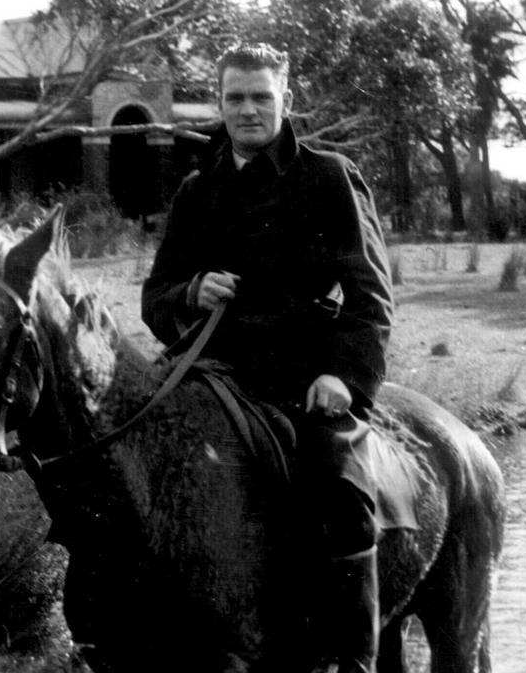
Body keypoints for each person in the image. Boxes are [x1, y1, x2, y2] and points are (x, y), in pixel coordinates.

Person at [141, 44, 393, 673]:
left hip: (306, 376)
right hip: (213, 371)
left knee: (341, 490)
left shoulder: (329, 175)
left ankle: (351, 657)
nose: (248, 110)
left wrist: (341, 375)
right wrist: (191, 291)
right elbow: (155, 298)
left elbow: (371, 294)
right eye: (235, 98)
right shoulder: (198, 189)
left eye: (261, 96)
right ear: (219, 104)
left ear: (287, 100)